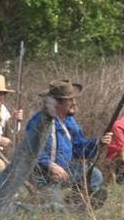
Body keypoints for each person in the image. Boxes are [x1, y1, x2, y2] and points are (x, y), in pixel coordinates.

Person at [24, 79, 112, 207]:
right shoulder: (39, 121)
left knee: (94, 175)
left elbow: (79, 149)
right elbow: (31, 150)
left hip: (65, 170)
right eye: (70, 100)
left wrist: (98, 143)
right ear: (57, 103)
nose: (74, 103)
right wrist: (50, 165)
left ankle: (78, 200)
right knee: (52, 206)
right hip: (42, 175)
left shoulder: (70, 122)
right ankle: (67, 206)